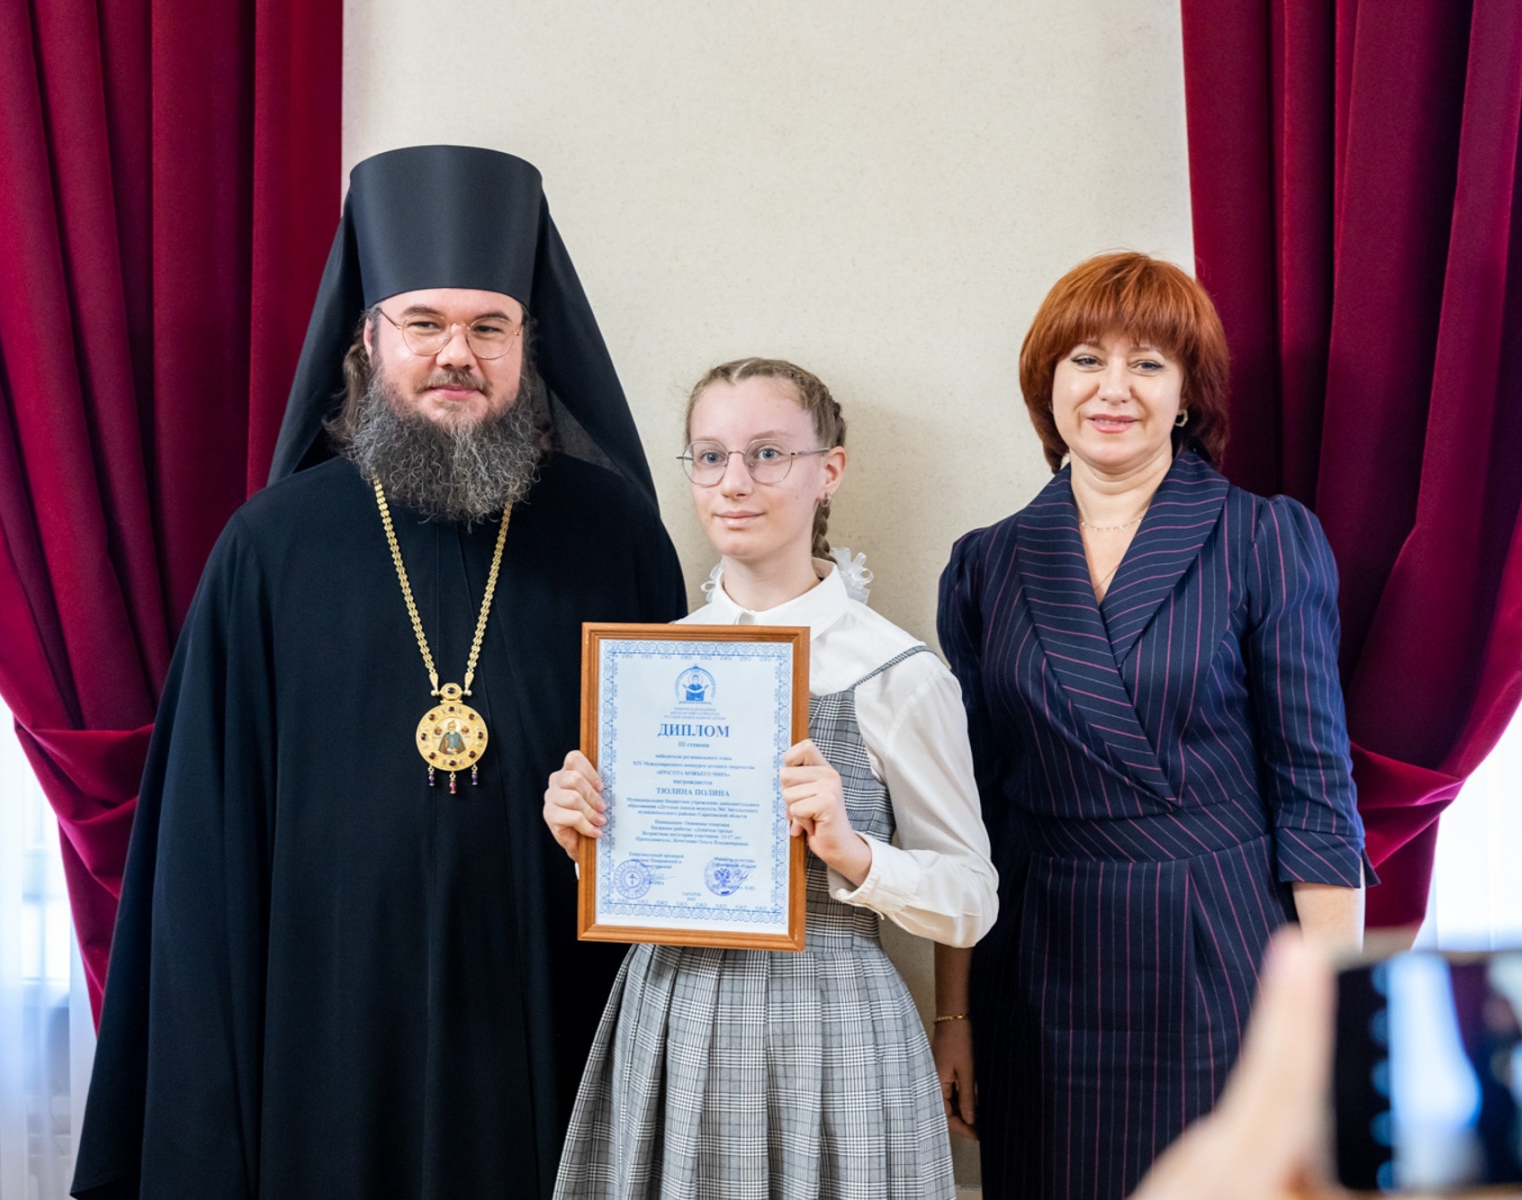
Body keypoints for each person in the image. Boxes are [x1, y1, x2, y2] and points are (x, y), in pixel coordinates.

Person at [71, 147, 686, 1200]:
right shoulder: (271, 547)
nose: (457, 355)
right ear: (369, 338)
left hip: (553, 999)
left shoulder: (612, 531)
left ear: (528, 344)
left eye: (489, 328)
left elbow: (675, 781)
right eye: (425, 324)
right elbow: (206, 840)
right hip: (329, 1013)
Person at [933, 251, 1373, 1199]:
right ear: (1048, 383)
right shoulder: (985, 564)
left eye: (1147, 363)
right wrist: (953, 1016)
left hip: (1217, 941)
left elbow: (1316, 796)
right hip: (1040, 959)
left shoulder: (1264, 538)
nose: (1113, 388)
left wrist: (1334, 1023)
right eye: (1087, 359)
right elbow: (966, 818)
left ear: (1185, 395)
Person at [542, 357, 998, 1199]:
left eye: (768, 454)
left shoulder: (896, 673)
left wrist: (854, 852)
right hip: (669, 1016)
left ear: (830, 470)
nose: (734, 482)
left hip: (831, 1024)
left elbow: (971, 898)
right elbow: (645, 877)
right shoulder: (649, 664)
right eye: (711, 456)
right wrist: (585, 842)